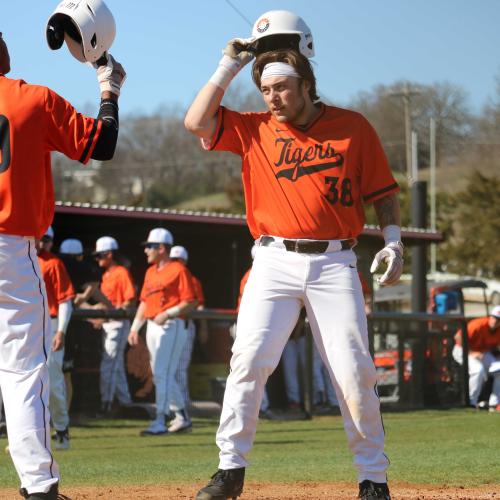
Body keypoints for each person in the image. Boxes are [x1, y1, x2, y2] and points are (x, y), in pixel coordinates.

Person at [185, 10, 403, 500]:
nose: (273, 98)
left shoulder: (353, 127)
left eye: (281, 88)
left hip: (334, 262)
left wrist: (393, 239)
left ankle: (373, 478)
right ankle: (229, 471)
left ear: (305, 83)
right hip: (273, 260)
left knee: (353, 370)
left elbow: (383, 192)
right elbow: (195, 121)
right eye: (266, 90)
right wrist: (229, 66)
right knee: (248, 360)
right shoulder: (254, 128)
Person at [0, 22, 125, 498]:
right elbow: (101, 145)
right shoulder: (33, 99)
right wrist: (108, 89)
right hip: (10, 248)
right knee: (22, 371)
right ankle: (39, 486)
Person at [128, 229, 197, 436]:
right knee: (160, 374)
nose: (146, 250)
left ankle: (161, 419)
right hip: (152, 324)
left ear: (161, 248)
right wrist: (134, 328)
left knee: (162, 373)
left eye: (150, 246)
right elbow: (143, 302)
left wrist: (168, 314)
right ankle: (182, 416)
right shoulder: (150, 272)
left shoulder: (178, 269)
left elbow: (191, 301)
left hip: (171, 325)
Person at [36, 227, 75, 451]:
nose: (43, 242)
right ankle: (28, 436)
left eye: (47, 239)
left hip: (50, 324)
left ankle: (61, 429)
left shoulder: (54, 263)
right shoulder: (20, 260)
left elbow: (65, 301)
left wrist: (61, 330)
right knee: (26, 383)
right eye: (40, 237)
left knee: (53, 382)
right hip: (25, 326)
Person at [94, 236, 135, 414]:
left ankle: (106, 404)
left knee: (109, 364)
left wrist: (114, 312)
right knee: (115, 365)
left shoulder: (121, 272)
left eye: (100, 255)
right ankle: (126, 403)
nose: (97, 259)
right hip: (107, 323)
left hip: (118, 323)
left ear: (109, 254)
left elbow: (130, 300)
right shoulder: (105, 275)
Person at [169, 246, 208, 418]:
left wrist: (204, 326)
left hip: (185, 323)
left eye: (179, 260)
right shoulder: (164, 276)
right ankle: (173, 405)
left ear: (185, 261)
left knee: (179, 368)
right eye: (174, 260)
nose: (177, 264)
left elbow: (199, 305)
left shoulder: (192, 280)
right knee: (166, 369)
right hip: (166, 324)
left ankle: (183, 405)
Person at [453, 306, 500, 411]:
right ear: (490, 317)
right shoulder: (478, 324)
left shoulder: (498, 330)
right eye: (494, 317)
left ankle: (495, 404)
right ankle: (471, 403)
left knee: (499, 370)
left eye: (498, 319)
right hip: (462, 350)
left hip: (481, 353)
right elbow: (458, 337)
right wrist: (471, 352)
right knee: (478, 370)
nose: (495, 321)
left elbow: (495, 347)